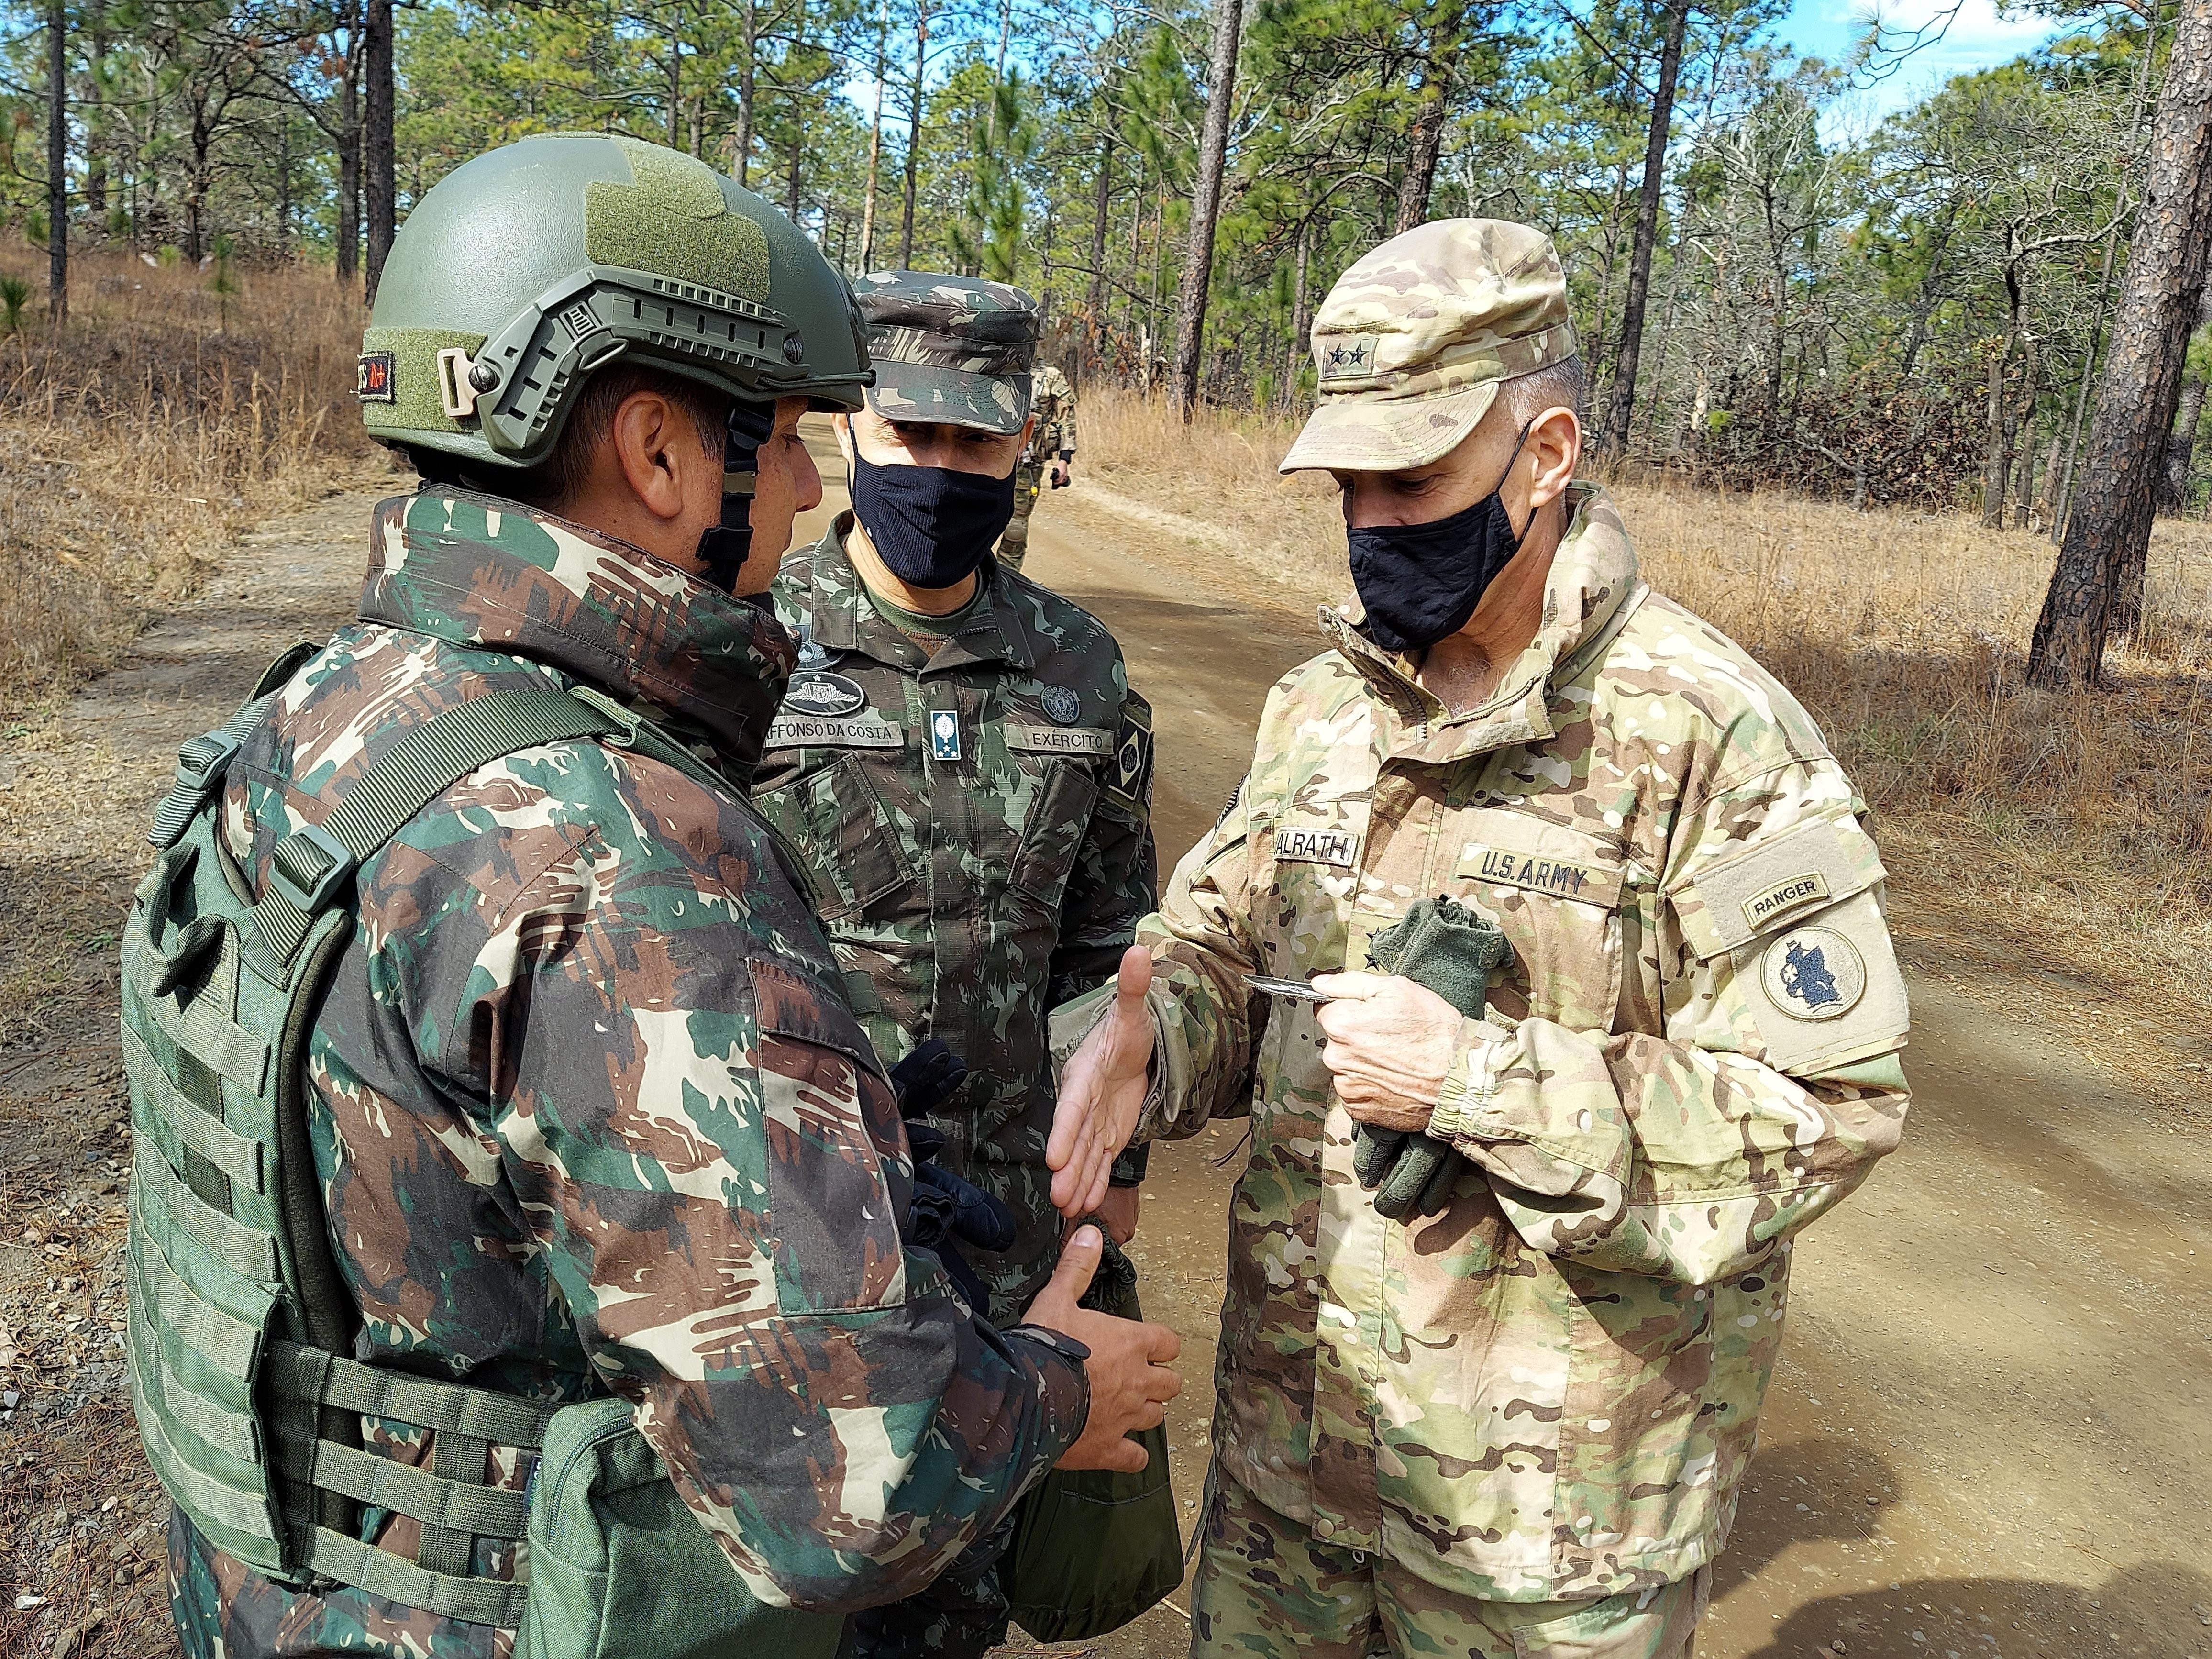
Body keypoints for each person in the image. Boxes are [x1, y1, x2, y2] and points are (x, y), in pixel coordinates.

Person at [122, 134, 1179, 1659]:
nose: (819, 482)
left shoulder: (320, 712)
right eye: (799, 437)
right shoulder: (612, 850)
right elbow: (849, 1483)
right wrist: (1055, 1381)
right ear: (661, 452)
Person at [1045, 219, 1913, 1658]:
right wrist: (1155, 1031)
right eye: (1349, 486)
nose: (1375, 521)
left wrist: (1475, 1081)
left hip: (1546, 1546)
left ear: (1546, 452)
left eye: (1415, 479)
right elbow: (1222, 945)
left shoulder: (1710, 735)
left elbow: (1824, 1109)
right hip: (1293, 1480)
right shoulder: (1324, 709)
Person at [753, 270, 1162, 1657]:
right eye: (907, 438)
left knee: (948, 1619)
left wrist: (1111, 1175)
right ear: (852, 435)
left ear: (1020, 447)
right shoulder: (747, 643)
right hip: (793, 1246)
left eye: (971, 445)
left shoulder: (1079, 671)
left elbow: (1110, 950)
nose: (937, 471)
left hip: (999, 1260)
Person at [997, 357, 1075, 572]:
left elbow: (1066, 417)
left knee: (1016, 526)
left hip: (1027, 463)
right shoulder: (995, 364)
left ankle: (1006, 580)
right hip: (986, 460)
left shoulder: (1051, 377)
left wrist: (1064, 460)